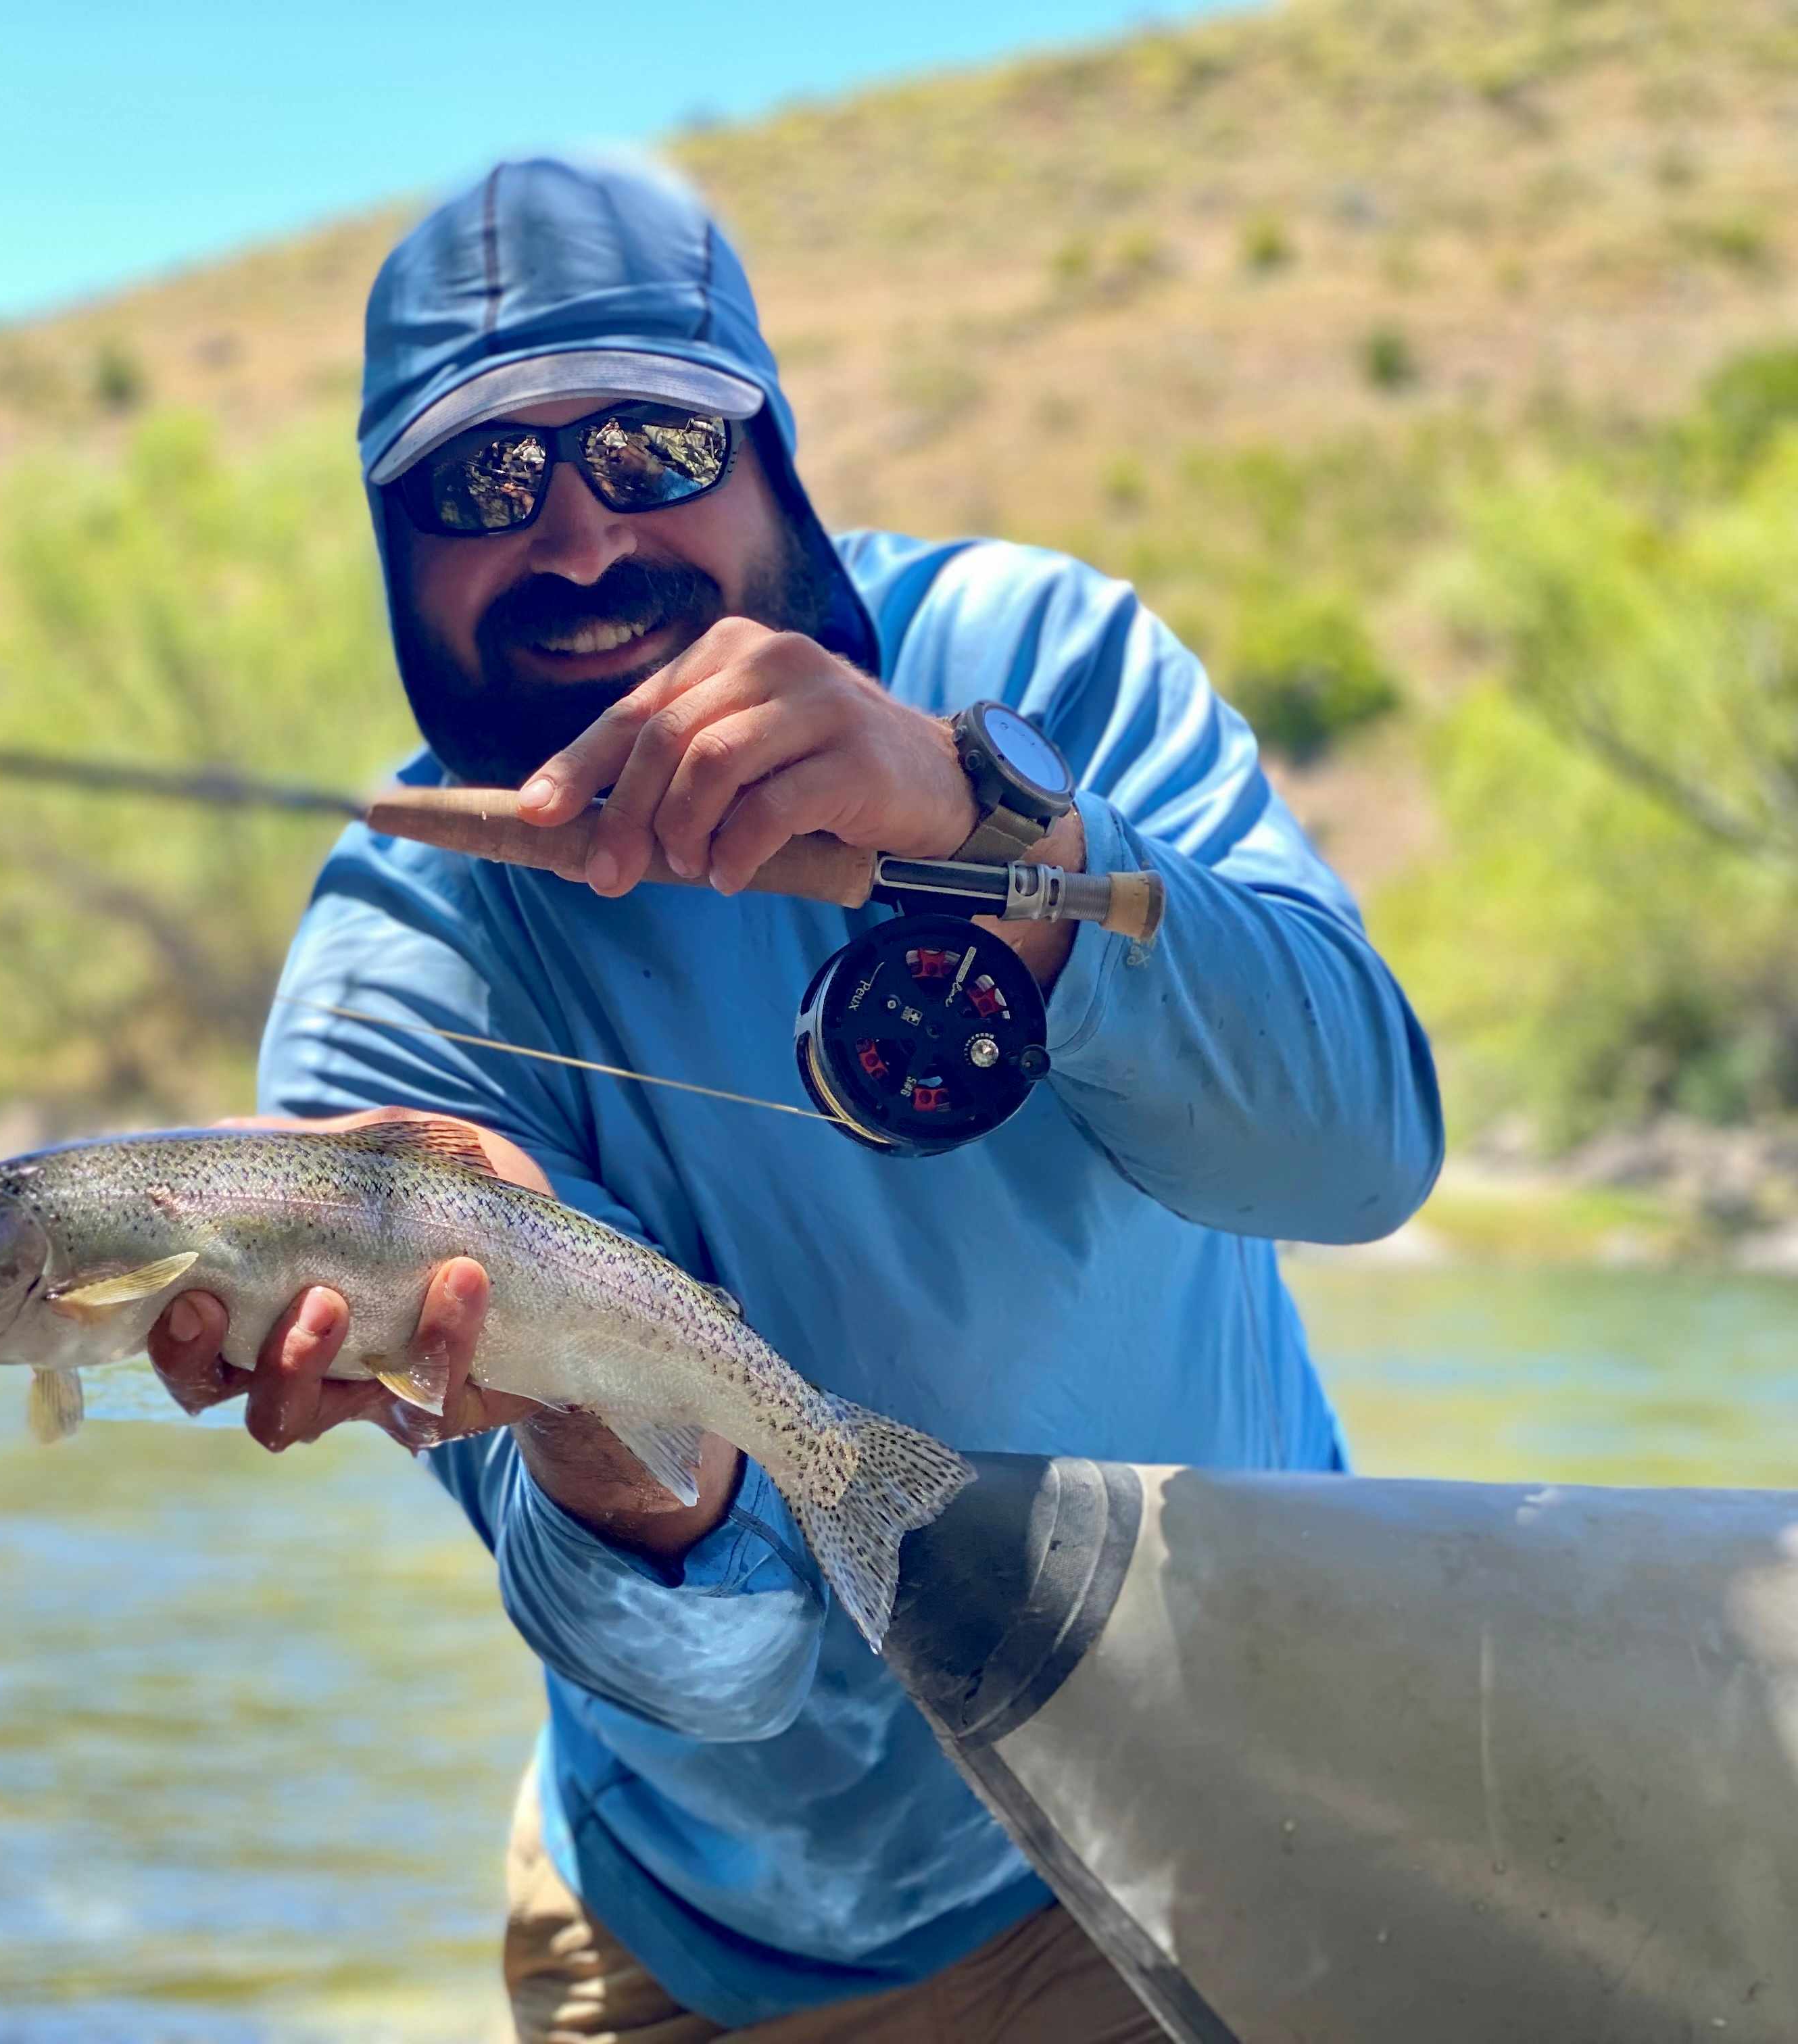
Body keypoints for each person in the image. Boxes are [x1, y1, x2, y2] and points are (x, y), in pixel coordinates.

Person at [147, 155, 1442, 2043]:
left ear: (774, 459)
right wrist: (601, 1432)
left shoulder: (1038, 660)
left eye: (653, 447)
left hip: (1230, 1813)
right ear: (394, 550)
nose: (579, 543)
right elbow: (716, 1684)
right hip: (721, 1944)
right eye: (481, 486)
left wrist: (993, 835)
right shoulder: (394, 988)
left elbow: (1362, 1155)